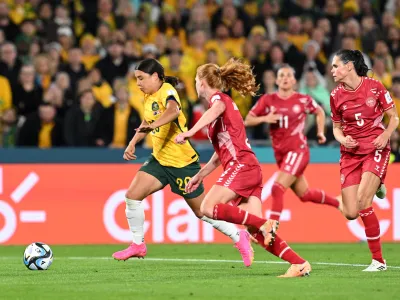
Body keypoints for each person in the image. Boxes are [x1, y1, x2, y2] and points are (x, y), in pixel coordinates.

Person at [175, 58, 311, 278]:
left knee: (208, 207)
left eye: (196, 79)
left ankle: (265, 223)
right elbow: (219, 157)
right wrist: (200, 175)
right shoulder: (218, 112)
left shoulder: (219, 99)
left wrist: (190, 132)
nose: (195, 83)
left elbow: (217, 106)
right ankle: (299, 263)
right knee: (258, 234)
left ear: (202, 82)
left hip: (241, 165)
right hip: (248, 168)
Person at [112, 58, 254, 267]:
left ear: (155, 77)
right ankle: (138, 245)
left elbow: (173, 111)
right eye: (136, 79)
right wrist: (133, 142)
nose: (138, 83)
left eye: (141, 78)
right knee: (132, 196)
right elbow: (147, 120)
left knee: (202, 212)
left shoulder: (168, 90)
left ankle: (238, 236)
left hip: (182, 163)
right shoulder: (148, 96)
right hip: (160, 159)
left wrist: (153, 128)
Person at [244, 65, 340, 240]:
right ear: (277, 80)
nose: (285, 78)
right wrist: (265, 118)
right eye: (282, 75)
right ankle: (338, 202)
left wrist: (320, 131)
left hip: (298, 151)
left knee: (277, 188)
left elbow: (319, 111)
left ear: (294, 81)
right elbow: (248, 120)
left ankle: (270, 229)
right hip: (281, 155)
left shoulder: (302, 99)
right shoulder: (268, 100)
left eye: (289, 75)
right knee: (305, 194)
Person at [330, 49, 399, 271]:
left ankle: (379, 261)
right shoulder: (335, 95)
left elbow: (394, 117)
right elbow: (336, 129)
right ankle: (378, 185)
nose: (332, 70)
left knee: (363, 202)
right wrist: (343, 140)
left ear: (349, 66)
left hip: (375, 147)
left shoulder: (375, 86)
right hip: (350, 153)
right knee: (350, 212)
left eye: (335, 65)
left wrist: (385, 135)